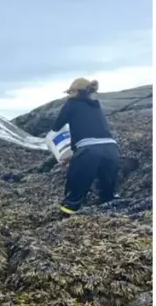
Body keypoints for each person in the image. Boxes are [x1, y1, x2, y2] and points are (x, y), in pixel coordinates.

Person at [51, 77, 120, 215]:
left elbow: (56, 127)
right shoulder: (96, 104)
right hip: (112, 150)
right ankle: (109, 221)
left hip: (88, 151)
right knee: (108, 194)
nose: (67, 96)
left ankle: (65, 222)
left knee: (74, 194)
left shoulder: (71, 104)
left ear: (75, 92)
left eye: (69, 93)